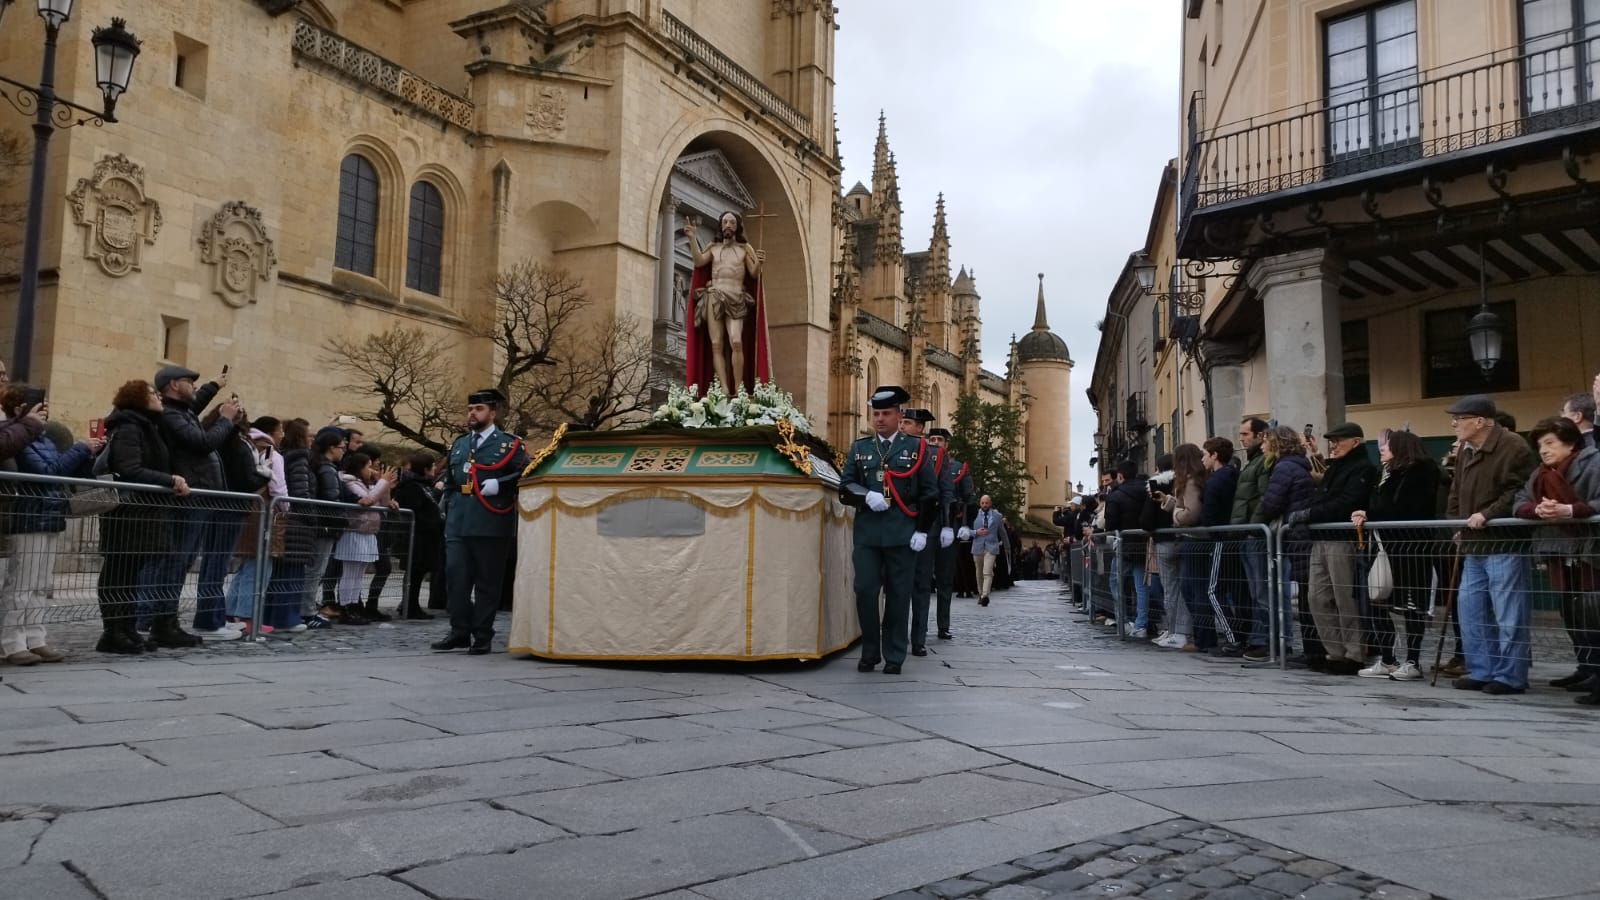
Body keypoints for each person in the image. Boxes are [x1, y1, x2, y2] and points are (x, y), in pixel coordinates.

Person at [839, 385, 941, 674]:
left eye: (886, 413)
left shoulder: (917, 448)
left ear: (899, 415)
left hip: (902, 532)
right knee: (865, 591)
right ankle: (870, 650)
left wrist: (922, 530)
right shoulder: (860, 448)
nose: (880, 419)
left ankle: (894, 655)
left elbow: (929, 493)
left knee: (898, 596)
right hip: (868, 534)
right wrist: (865, 495)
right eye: (876, 414)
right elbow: (845, 487)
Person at [1446, 394, 1538, 695]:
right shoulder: (1466, 451)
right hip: (1474, 544)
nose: (1454, 424)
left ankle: (1511, 676)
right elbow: (1456, 491)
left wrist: (1487, 514)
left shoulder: (1513, 446)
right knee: (1470, 609)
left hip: (1503, 543)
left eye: (1459, 419)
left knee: (1509, 613)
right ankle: (1482, 669)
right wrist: (1455, 523)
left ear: (1480, 421)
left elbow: (1519, 490)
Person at [0, 385, 100, 664]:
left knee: (41, 583)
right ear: (21, 409)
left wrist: (86, 453)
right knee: (21, 583)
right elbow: (46, 472)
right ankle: (11, 642)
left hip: (51, 514)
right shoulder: (18, 437)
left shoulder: (46, 439)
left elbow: (64, 470)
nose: (46, 411)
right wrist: (79, 448)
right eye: (40, 406)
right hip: (29, 516)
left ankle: (36, 637)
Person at [432, 389, 529, 655]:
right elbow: (451, 482)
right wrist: (449, 512)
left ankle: (482, 634)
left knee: (487, 582)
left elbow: (527, 473)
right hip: (459, 522)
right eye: (470, 409)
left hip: (491, 522)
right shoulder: (461, 444)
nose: (472, 414)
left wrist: (501, 483)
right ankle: (460, 631)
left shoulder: (509, 445)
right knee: (456, 579)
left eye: (479, 409)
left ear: (493, 413)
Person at [154, 364, 246, 641]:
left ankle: (166, 623)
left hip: (200, 495)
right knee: (178, 560)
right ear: (173, 385)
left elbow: (193, 407)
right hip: (191, 497)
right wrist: (225, 420)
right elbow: (203, 443)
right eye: (189, 382)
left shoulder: (180, 412)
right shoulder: (171, 415)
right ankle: (162, 623)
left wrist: (215, 385)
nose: (194, 387)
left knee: (182, 561)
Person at [1513, 416, 1600, 704]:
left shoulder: (1593, 463)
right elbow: (1519, 502)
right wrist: (1537, 510)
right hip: (1557, 550)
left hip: (1589, 548)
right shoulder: (1539, 474)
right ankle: (1587, 667)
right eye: (1540, 445)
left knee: (1593, 611)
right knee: (1571, 611)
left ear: (1570, 442)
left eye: (1550, 443)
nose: (1544, 450)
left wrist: (1571, 510)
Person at [98, 381, 188, 654]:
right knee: (119, 572)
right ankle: (113, 632)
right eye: (151, 393)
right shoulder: (128, 427)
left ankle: (126, 629)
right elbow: (129, 468)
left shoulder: (146, 426)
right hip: (128, 512)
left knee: (130, 573)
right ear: (138, 399)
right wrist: (169, 479)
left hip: (142, 512)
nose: (157, 396)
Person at [1353, 430, 1440, 681]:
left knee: (1412, 605)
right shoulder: (1386, 473)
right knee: (1378, 599)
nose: (1382, 449)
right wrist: (1364, 512)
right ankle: (1388, 658)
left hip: (1412, 547)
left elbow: (1403, 507)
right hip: (1386, 547)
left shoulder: (1421, 471)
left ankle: (1413, 661)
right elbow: (1376, 503)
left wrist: (1371, 513)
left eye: (1388, 446)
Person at [1291, 422, 1377, 675]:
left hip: (1343, 539)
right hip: (1322, 537)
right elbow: (1325, 497)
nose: (1334, 445)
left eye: (1339, 440)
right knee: (1316, 597)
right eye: (1332, 441)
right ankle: (1335, 651)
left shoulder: (1362, 468)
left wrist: (1310, 513)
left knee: (1344, 598)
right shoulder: (1337, 467)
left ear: (1356, 442)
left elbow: (1347, 502)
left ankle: (1353, 653)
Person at [683, 211, 770, 394]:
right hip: (714, 296)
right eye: (725, 222)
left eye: (732, 222)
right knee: (716, 344)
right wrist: (692, 238)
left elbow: (754, 274)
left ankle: (738, 388)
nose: (728, 225)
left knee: (736, 341)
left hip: (736, 296)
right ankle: (724, 388)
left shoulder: (744, 249)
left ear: (737, 226)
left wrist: (760, 263)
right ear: (721, 226)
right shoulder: (713, 248)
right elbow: (699, 262)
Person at [1257, 425, 1317, 665]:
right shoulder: (1299, 465)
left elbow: (1272, 504)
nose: (1264, 447)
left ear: (1277, 444)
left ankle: (1313, 651)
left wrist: (1262, 506)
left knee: (1306, 594)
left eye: (1267, 441)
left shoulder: (1284, 468)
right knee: (1307, 592)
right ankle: (1313, 649)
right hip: (1300, 534)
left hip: (1297, 535)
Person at [898, 409, 955, 654]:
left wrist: (947, 525)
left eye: (907, 423)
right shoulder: (885, 449)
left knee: (921, 585)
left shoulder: (936, 454)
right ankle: (895, 635)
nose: (901, 426)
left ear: (919, 428)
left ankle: (918, 638)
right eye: (900, 422)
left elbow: (945, 492)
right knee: (896, 584)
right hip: (897, 524)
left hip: (926, 525)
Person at [334, 452, 398, 621]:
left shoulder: (365, 483)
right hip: (354, 530)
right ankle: (346, 606)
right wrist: (382, 482)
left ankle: (355, 605)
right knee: (350, 572)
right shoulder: (349, 481)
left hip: (367, 531)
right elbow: (367, 500)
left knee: (359, 573)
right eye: (368, 466)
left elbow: (381, 500)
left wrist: (383, 486)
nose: (371, 470)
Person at [1232, 417, 1274, 661]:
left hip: (1254, 534)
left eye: (1246, 434)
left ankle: (1264, 641)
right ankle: (1261, 639)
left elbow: (1262, 497)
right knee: (1255, 590)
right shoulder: (1252, 462)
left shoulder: (1261, 463)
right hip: (1247, 532)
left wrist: (1253, 526)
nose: (1242, 438)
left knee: (1261, 591)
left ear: (1260, 436)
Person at [926, 426, 973, 641]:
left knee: (945, 579)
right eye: (932, 438)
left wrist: (965, 524)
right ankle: (920, 626)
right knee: (922, 579)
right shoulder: (921, 463)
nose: (936, 442)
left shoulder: (958, 467)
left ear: (947, 444)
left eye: (940, 439)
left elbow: (967, 497)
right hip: (925, 526)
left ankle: (943, 625)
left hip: (949, 527)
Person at [392, 451, 444, 620]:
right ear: (425, 468)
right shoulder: (411, 486)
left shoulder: (423, 485)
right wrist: (433, 522)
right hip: (417, 537)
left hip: (426, 537)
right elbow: (414, 511)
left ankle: (411, 603)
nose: (435, 469)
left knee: (419, 572)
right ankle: (409, 605)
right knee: (414, 572)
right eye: (432, 466)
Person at [970, 494, 1010, 607]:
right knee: (979, 573)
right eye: (982, 503)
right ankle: (980, 593)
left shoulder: (997, 516)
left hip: (991, 547)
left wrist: (1007, 547)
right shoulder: (974, 514)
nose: (984, 505)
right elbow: (966, 530)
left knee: (987, 572)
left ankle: (985, 596)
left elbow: (1002, 532)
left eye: (986, 503)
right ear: (980, 504)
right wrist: (975, 532)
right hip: (977, 546)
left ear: (990, 503)